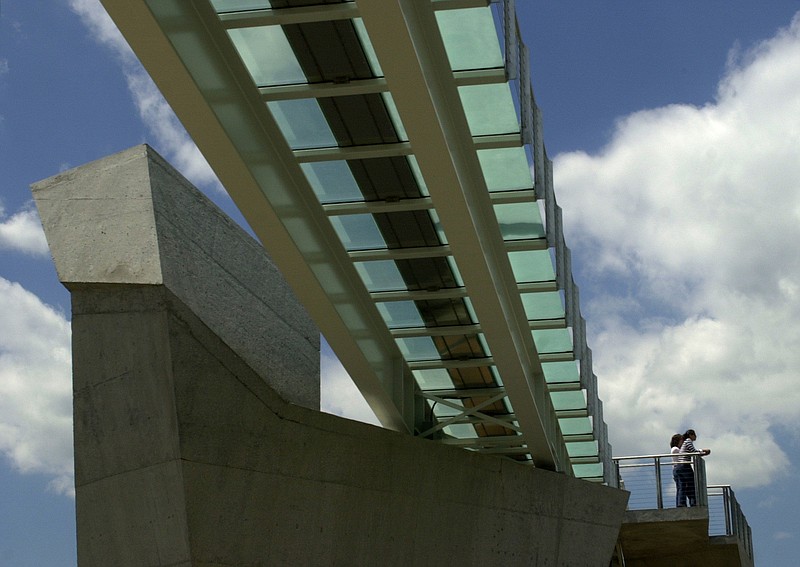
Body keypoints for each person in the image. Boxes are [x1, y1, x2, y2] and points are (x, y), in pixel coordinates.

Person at [679, 429, 711, 506]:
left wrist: (701, 451)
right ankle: (693, 503)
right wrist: (703, 452)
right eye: (694, 435)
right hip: (685, 465)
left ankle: (682, 503)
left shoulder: (686, 441)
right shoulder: (688, 441)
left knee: (683, 486)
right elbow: (693, 451)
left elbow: (692, 451)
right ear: (691, 435)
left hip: (681, 465)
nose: (695, 436)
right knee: (692, 485)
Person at [670, 433, 690, 507]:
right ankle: (681, 503)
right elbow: (681, 458)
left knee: (680, 487)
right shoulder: (676, 449)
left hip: (677, 469)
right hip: (679, 469)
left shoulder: (675, 449)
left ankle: (680, 503)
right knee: (682, 486)